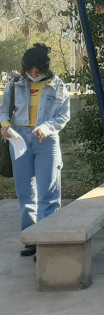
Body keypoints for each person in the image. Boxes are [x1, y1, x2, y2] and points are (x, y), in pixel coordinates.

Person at [0, 43, 70, 257]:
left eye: (37, 71)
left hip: (46, 141)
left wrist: (47, 128)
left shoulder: (58, 86)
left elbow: (63, 116)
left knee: (48, 192)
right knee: (25, 192)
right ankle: (31, 239)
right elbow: (3, 110)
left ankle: (48, 241)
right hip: (18, 139)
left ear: (45, 67)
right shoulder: (15, 83)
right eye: (29, 71)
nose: (33, 74)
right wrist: (5, 127)